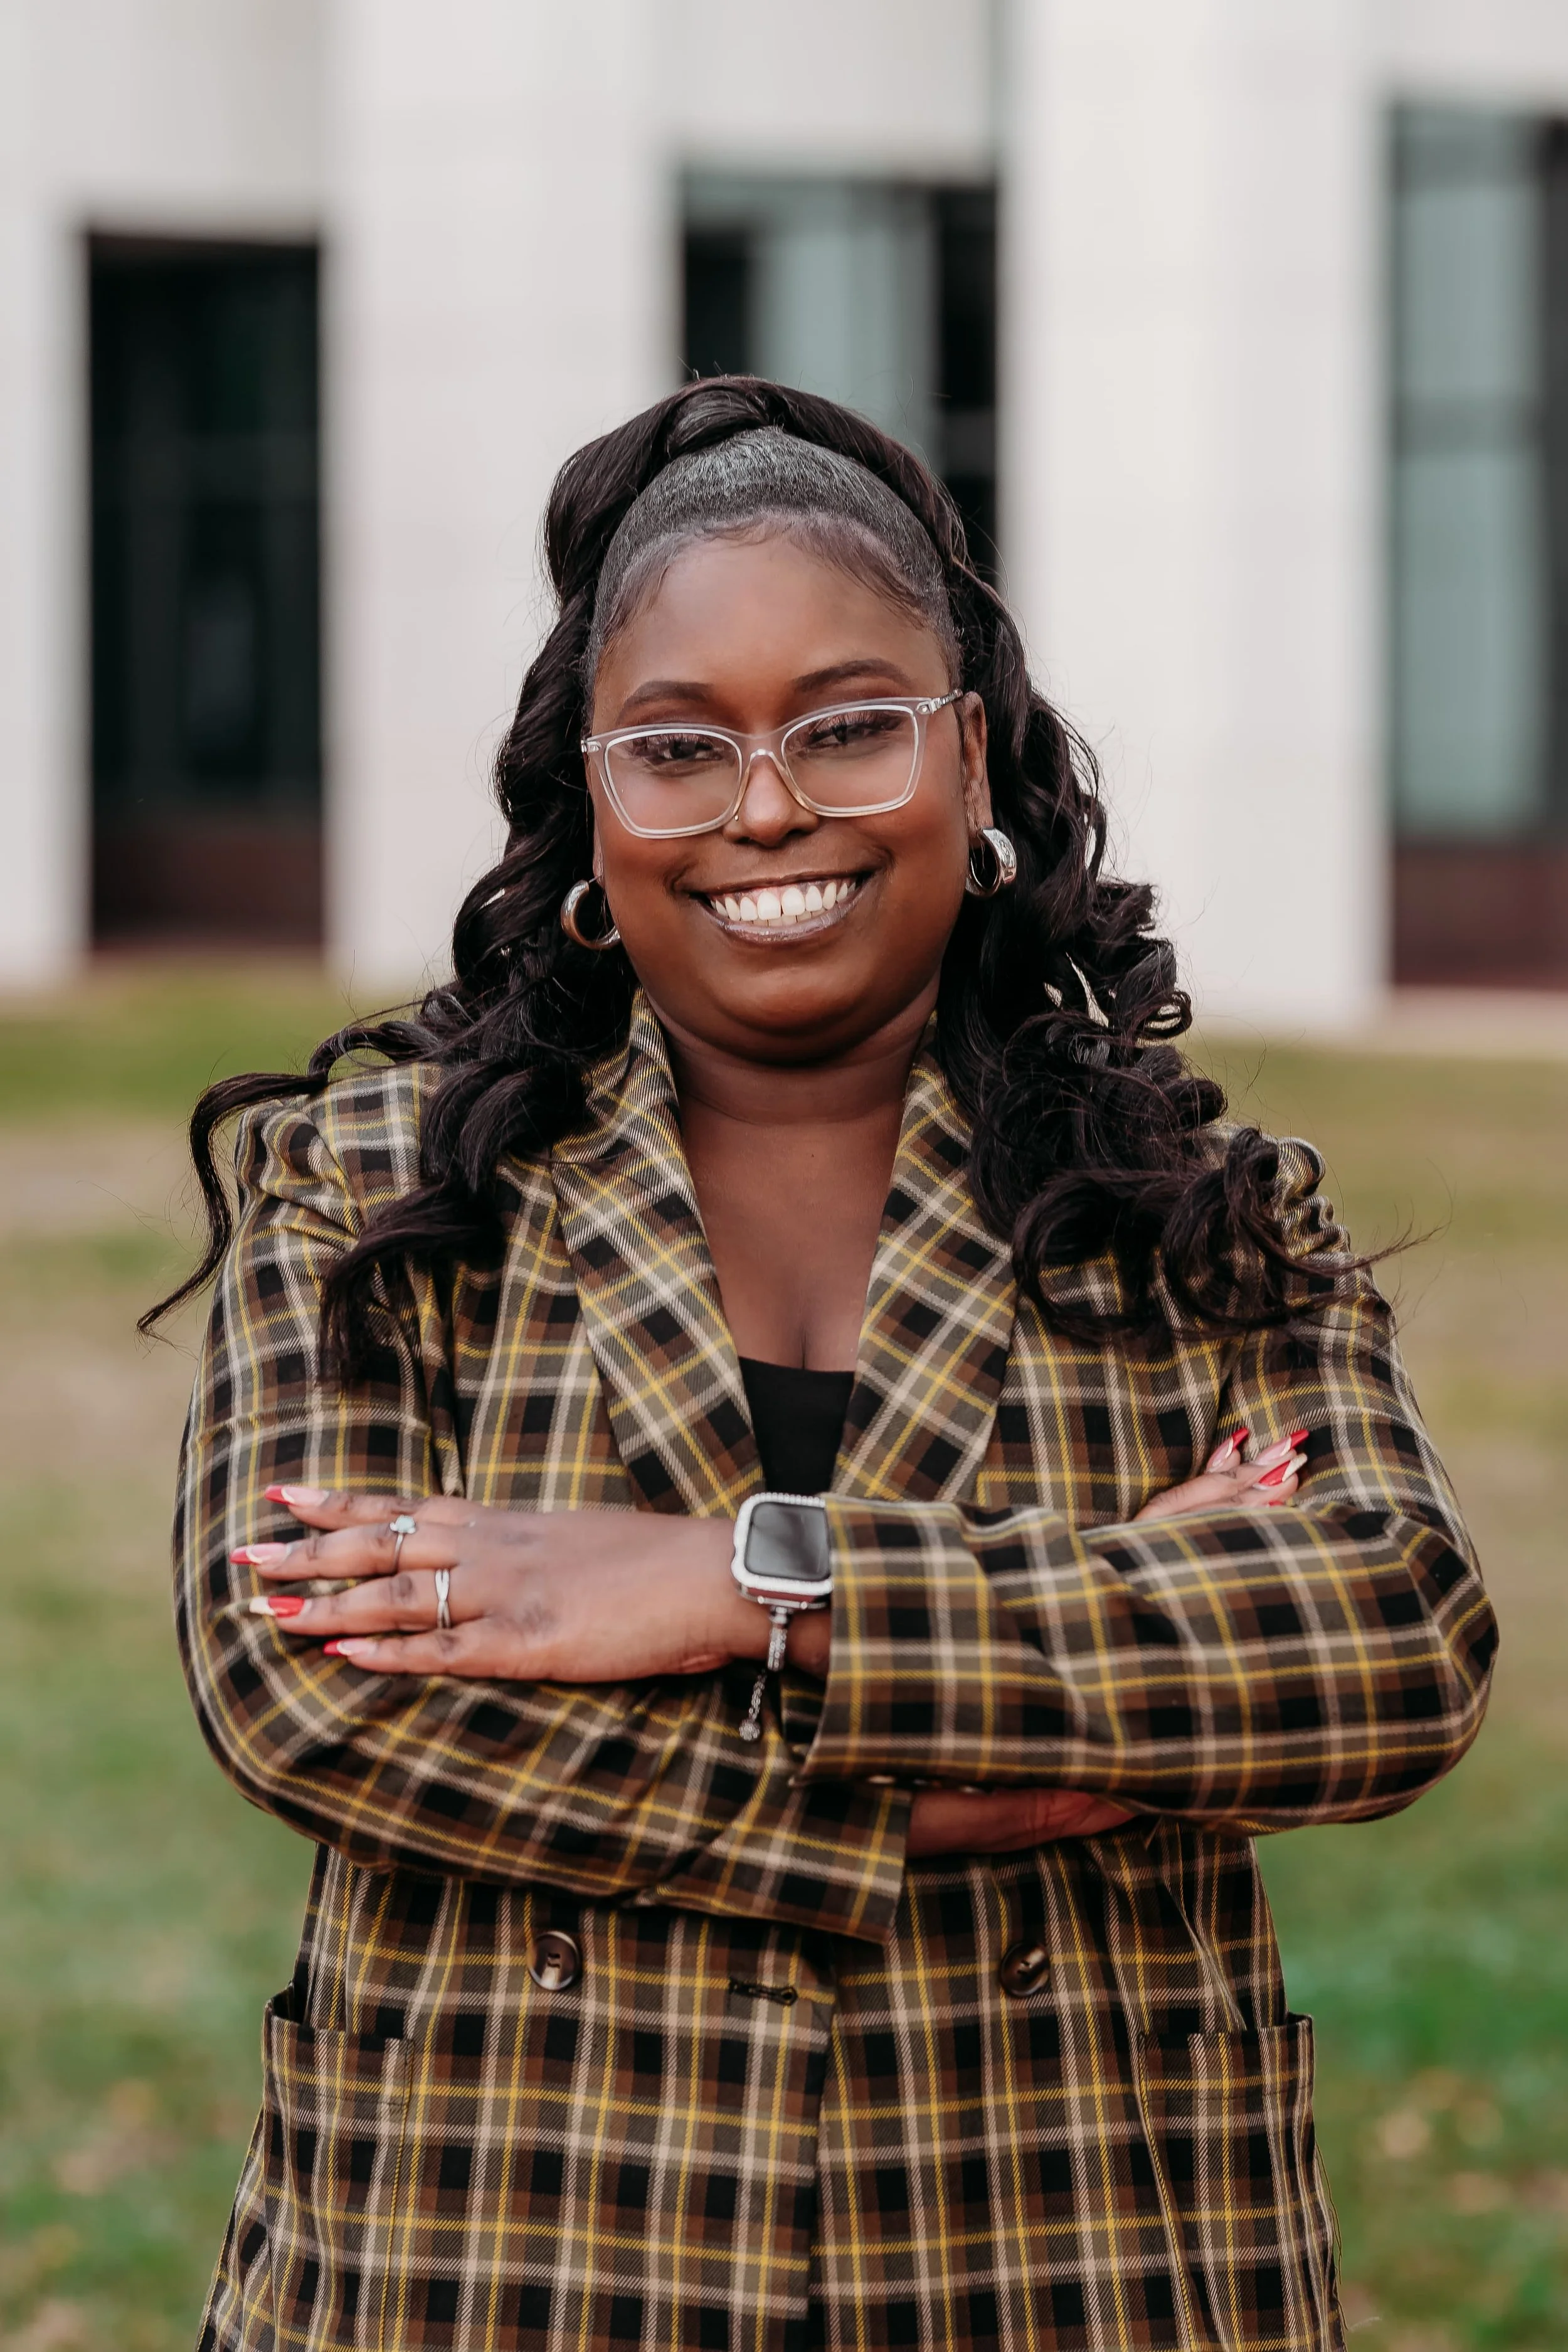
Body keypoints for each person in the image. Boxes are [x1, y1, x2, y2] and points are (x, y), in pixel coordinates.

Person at [159, 379, 1495, 2352]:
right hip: (497, 2270)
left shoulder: (1189, 1212)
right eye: (677, 747)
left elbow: (1385, 1630)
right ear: (588, 809)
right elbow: (311, 1696)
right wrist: (1001, 1789)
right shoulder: (373, 1197)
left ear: (973, 760)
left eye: (848, 724)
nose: (764, 806)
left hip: (1064, 2262)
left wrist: (741, 1580)